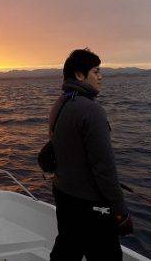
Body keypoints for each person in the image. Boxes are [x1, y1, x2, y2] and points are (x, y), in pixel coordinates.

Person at [49, 49, 133, 261]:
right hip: (90, 206)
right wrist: (120, 211)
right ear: (79, 75)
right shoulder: (92, 111)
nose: (101, 76)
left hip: (63, 195)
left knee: (68, 248)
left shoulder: (60, 104)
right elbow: (104, 167)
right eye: (96, 71)